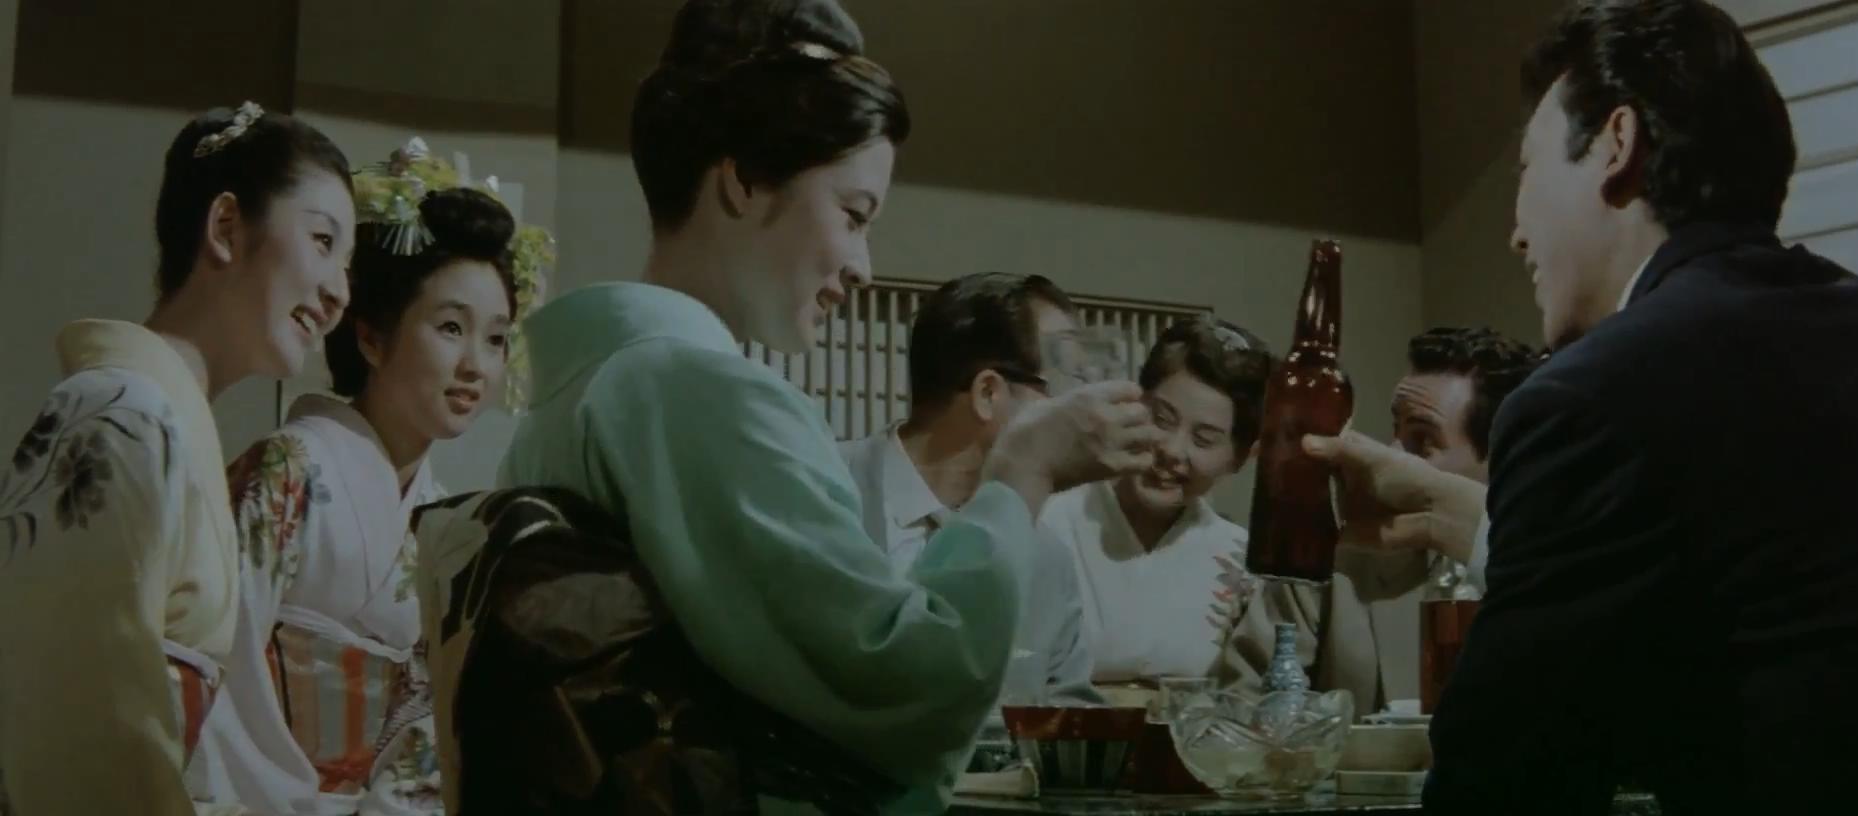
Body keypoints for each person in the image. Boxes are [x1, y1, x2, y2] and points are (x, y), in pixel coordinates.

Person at [493, 0, 1157, 811]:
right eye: (853, 214)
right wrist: (1021, 471)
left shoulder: (590, 374)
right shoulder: (700, 393)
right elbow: (909, 683)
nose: (863, 265)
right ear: (743, 179)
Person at [1303, 1, 1858, 811]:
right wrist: (1452, 511)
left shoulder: (1589, 392)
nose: (1517, 233)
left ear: (1615, 145)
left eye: (1528, 171)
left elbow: (1505, 778)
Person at [0, 103, 354, 816]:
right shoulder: (122, 413)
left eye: (345, 266)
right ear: (225, 227)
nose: (339, 292)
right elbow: (86, 735)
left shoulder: (155, 419)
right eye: (322, 241)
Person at [191, 141, 549, 816]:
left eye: (496, 338)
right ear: (372, 337)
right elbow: (218, 660)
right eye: (451, 327)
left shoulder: (445, 521)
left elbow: (430, 730)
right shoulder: (289, 469)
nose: (476, 365)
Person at [1213, 327, 1538, 711]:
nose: (1393, 455)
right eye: (1396, 431)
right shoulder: (1325, 562)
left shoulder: (1550, 572)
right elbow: (1243, 708)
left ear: (1500, 460)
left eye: (1422, 440)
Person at [840, 271, 1101, 706]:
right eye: (1062, 388)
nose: (1083, 412)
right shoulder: (822, 486)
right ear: (987, 393)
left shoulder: (1044, 556)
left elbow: (1071, 714)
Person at [1040, 315, 1268, 689]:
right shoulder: (1048, 522)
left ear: (1242, 457)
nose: (1172, 450)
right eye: (1162, 418)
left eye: (1204, 439)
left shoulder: (1242, 561)